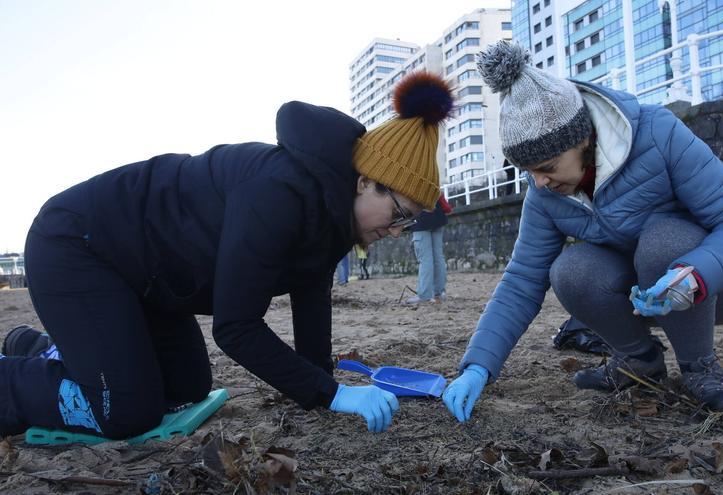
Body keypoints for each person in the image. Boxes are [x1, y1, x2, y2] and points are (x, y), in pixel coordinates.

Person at [0, 71, 454, 438]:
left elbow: (311, 308)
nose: (397, 230)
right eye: (399, 213)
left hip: (147, 281)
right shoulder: (279, 193)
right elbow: (235, 328)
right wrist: (332, 394)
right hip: (77, 245)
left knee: (186, 389)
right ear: (364, 182)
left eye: (408, 221)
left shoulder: (331, 218)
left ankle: (44, 346)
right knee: (122, 411)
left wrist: (324, 388)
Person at [442, 42, 723, 423]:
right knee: (570, 269)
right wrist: (478, 366)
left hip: (721, 284)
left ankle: (700, 367)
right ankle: (639, 362)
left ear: (583, 138)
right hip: (640, 296)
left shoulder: (658, 134)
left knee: (663, 240)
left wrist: (692, 276)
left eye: (546, 166)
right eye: (528, 171)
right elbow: (522, 280)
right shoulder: (544, 192)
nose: (539, 183)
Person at [404, 194, 453, 304]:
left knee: (425, 259)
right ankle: (439, 293)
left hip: (421, 216)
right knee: (438, 257)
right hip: (437, 214)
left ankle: (425, 295)